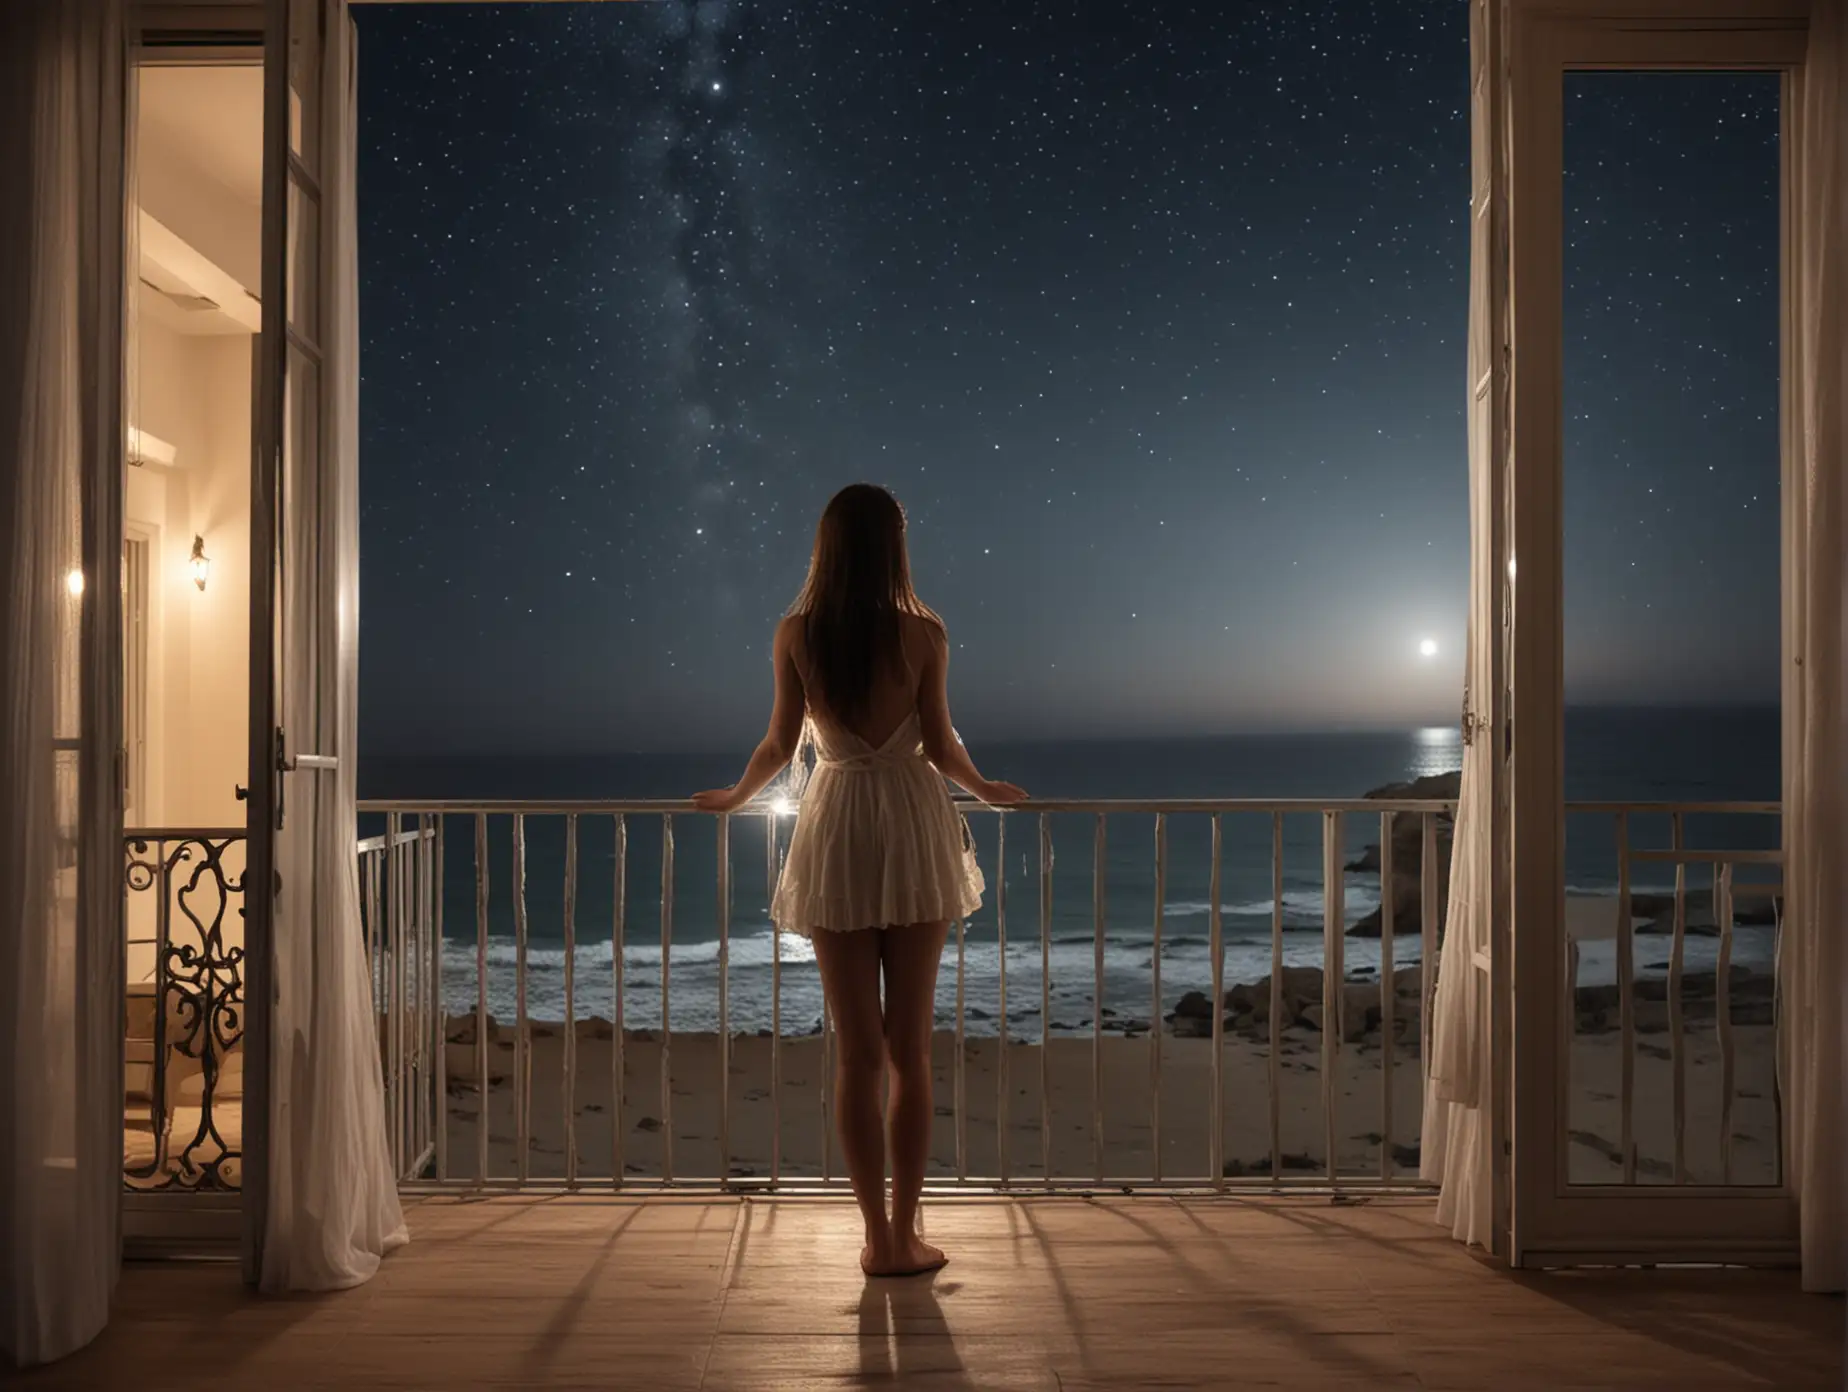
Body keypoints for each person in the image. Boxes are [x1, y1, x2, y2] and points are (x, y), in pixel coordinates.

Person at [693, 483, 1027, 1276]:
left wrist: (737, 797)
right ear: (893, 545)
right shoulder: (924, 633)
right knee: (910, 1048)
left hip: (837, 821)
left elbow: (778, 745)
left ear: (828, 544)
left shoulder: (797, 632)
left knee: (857, 1053)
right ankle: (904, 1235)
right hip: (912, 824)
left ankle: (876, 1238)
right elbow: (941, 747)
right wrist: (987, 791)